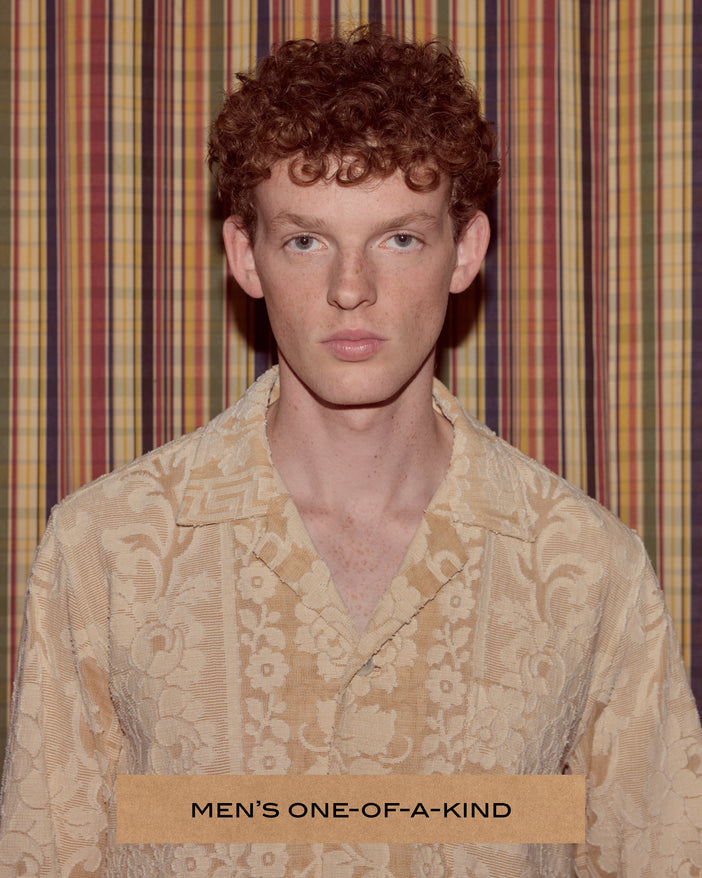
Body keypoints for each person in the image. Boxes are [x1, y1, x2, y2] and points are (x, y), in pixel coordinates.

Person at [1, 26, 701, 878]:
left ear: (466, 250)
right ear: (244, 256)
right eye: (306, 240)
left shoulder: (592, 570)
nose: (349, 288)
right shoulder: (103, 551)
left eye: (398, 238)